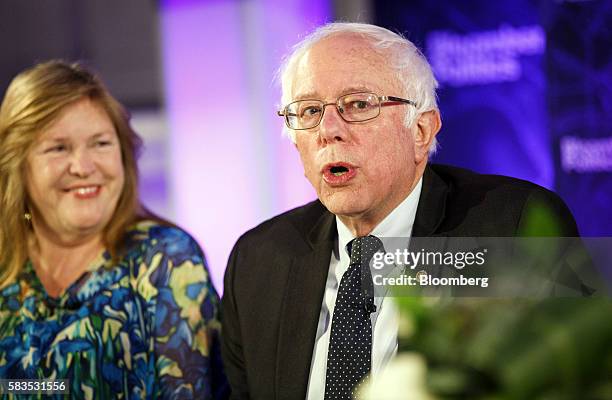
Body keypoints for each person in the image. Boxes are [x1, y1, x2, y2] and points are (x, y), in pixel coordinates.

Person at [221, 22, 586, 400]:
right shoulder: (258, 262)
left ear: (422, 131)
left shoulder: (512, 226)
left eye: (358, 104)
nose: (327, 130)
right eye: (309, 111)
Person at [0, 61, 228, 399]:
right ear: (17, 165)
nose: (83, 167)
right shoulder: (7, 268)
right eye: (58, 148)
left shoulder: (165, 260)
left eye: (101, 144)